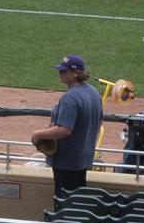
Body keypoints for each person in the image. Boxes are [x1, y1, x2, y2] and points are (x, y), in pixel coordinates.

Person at [34, 54, 103, 195]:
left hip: (66, 162)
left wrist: (37, 135)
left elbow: (64, 130)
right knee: (77, 202)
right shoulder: (94, 92)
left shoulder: (70, 98)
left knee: (64, 204)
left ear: (76, 73)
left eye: (64, 71)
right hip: (84, 159)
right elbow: (99, 122)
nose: (60, 73)